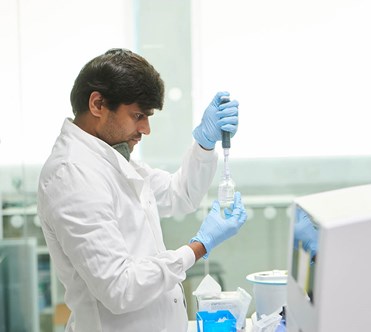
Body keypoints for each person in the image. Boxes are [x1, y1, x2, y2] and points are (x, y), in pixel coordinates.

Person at [37, 48, 247, 332]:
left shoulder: (111, 158)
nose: (146, 129)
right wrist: (199, 247)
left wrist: (205, 144)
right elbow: (120, 288)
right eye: (138, 115)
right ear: (98, 104)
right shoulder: (72, 174)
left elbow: (179, 194)